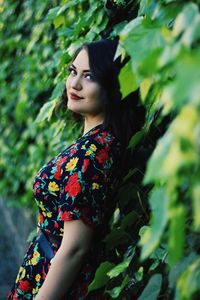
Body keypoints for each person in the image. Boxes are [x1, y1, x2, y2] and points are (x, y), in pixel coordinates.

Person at [7, 38, 145, 299]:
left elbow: (74, 248)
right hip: (50, 271)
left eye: (89, 76)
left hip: (57, 282)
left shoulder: (90, 154)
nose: (74, 84)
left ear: (112, 85)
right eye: (72, 72)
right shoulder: (100, 143)